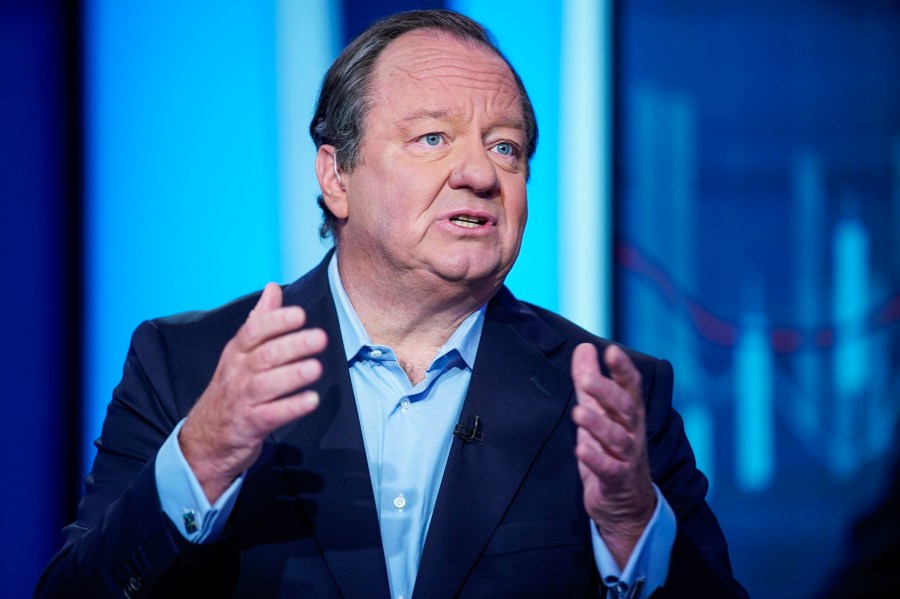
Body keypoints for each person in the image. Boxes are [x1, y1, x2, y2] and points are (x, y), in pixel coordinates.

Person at [36, 10, 747, 598]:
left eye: (506, 149)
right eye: (433, 138)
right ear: (336, 175)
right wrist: (200, 459)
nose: (477, 173)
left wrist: (632, 528)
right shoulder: (185, 364)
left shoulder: (612, 398)